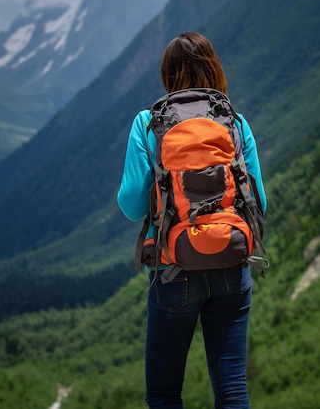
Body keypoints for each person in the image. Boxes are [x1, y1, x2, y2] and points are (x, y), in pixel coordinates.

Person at [117, 31, 267, 408]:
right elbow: (259, 201)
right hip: (233, 263)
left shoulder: (148, 123)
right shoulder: (234, 121)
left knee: (165, 394)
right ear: (214, 69)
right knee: (232, 389)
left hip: (172, 268)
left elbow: (132, 205)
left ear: (168, 74)